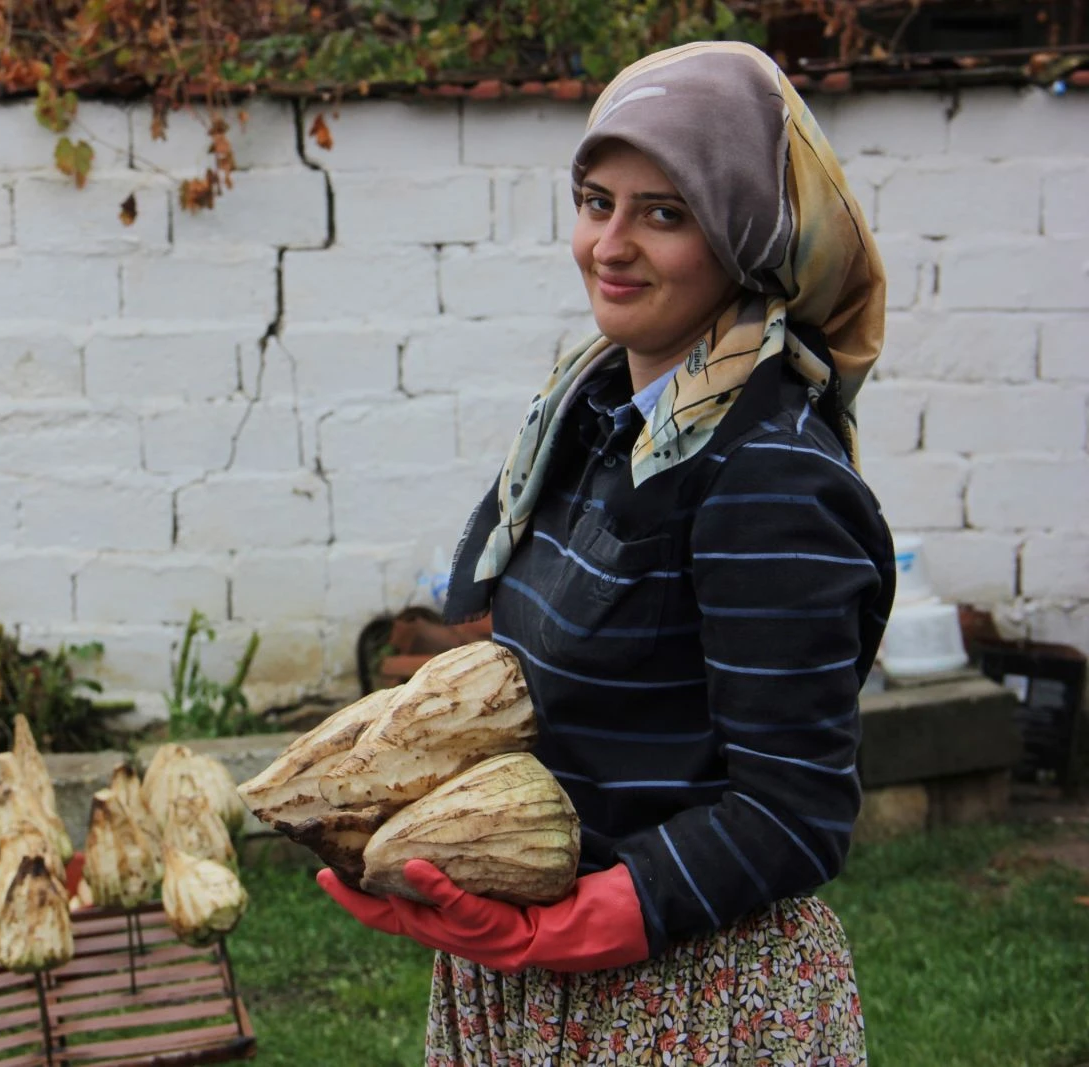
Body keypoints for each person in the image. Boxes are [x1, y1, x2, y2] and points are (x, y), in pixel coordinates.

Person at [318, 41, 896, 1065]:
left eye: (664, 213)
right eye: (595, 201)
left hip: (687, 997)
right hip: (542, 977)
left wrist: (558, 927)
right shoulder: (592, 421)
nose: (609, 244)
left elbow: (792, 810)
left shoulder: (765, 477)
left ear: (742, 237)